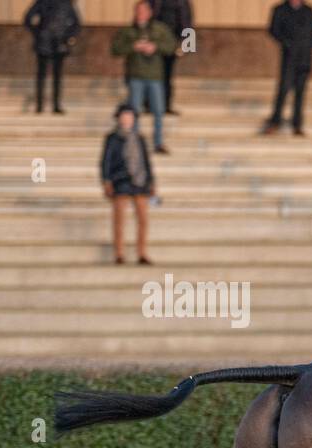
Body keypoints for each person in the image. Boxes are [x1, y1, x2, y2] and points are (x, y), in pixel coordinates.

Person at [110, 1, 176, 155]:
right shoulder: (128, 31)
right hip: (136, 75)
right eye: (139, 10)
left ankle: (158, 142)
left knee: (158, 110)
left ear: (150, 12)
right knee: (134, 110)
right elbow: (115, 49)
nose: (141, 13)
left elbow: (172, 46)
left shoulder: (159, 29)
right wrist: (133, 47)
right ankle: (134, 142)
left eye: (144, 10)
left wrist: (155, 47)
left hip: (155, 76)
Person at [101, 103, 156, 265]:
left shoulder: (139, 138)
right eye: (124, 116)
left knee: (143, 219)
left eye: (130, 116)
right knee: (119, 219)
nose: (127, 119)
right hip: (121, 180)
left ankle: (142, 252)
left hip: (139, 181)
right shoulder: (112, 138)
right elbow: (105, 161)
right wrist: (106, 180)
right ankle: (119, 253)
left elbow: (146, 161)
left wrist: (151, 181)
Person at [264, 0, 312, 136]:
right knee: (284, 88)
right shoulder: (280, 9)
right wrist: (287, 43)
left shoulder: (308, 10)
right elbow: (273, 30)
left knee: (300, 91)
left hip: (305, 57)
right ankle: (275, 122)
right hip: (289, 56)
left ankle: (297, 124)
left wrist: (309, 44)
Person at [24, 0, 80, 115]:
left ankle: (55, 105)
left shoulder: (66, 4)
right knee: (42, 75)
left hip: (59, 43)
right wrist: (38, 33)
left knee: (56, 76)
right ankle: (41, 105)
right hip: (45, 43)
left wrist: (69, 36)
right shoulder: (42, 2)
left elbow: (76, 24)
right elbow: (27, 19)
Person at [152, 0, 193, 116]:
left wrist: (188, 45)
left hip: (172, 43)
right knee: (153, 75)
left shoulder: (183, 2)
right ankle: (150, 104)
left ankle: (166, 105)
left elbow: (187, 23)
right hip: (155, 41)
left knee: (167, 75)